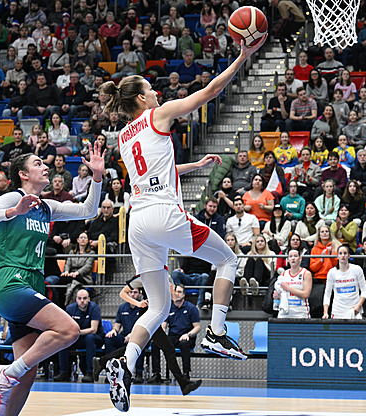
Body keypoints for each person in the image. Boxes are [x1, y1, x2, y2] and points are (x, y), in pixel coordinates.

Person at [97, 36, 266, 411]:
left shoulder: (125, 135)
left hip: (137, 219)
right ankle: (218, 333)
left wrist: (196, 166)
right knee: (227, 260)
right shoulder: (157, 113)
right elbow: (208, 91)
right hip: (163, 212)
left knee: (156, 305)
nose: (156, 92)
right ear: (141, 98)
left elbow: (156, 169)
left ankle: (125, 363)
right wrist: (242, 56)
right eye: (150, 89)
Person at [0, 143, 104, 416]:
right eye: (38, 164)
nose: (45, 167)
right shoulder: (12, 198)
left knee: (29, 369)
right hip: (10, 282)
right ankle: (6, 373)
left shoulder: (47, 206)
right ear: (22, 174)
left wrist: (98, 177)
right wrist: (13, 212)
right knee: (69, 330)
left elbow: (88, 211)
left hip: (32, 283)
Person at [93, 276, 202, 395]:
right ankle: (184, 384)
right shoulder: (144, 277)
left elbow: (174, 298)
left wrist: (171, 291)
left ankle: (102, 362)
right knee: (168, 349)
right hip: (148, 313)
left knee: (137, 347)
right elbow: (123, 293)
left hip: (158, 313)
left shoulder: (167, 276)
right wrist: (138, 304)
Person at [54, 288, 104, 383]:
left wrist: (77, 332)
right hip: (78, 337)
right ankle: (64, 372)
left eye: (84, 298)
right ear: (76, 299)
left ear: (89, 299)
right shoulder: (70, 309)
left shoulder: (94, 308)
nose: (82, 301)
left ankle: (90, 373)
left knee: (90, 338)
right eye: (80, 298)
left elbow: (93, 329)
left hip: (95, 338)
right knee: (63, 340)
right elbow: (67, 327)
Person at [152, 284, 200, 381]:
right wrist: (162, 333)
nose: (177, 294)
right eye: (175, 291)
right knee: (155, 343)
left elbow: (197, 327)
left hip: (186, 337)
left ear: (183, 294)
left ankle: (186, 374)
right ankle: (156, 373)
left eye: (179, 292)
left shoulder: (191, 308)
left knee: (184, 344)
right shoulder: (168, 307)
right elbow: (164, 324)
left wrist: (188, 334)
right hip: (173, 336)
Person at [104, 286, 144, 383]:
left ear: (139, 294)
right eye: (130, 292)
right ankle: (111, 371)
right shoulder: (122, 308)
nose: (132, 294)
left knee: (141, 343)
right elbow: (117, 326)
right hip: (125, 337)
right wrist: (113, 331)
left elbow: (144, 327)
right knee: (110, 339)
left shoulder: (143, 307)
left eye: (135, 292)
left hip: (139, 336)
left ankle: (139, 373)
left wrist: (133, 335)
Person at [323, 246, 366, 319]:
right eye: (340, 253)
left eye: (345, 253)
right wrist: (325, 312)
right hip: (338, 311)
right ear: (337, 256)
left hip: (354, 310)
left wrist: (359, 306)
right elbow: (327, 294)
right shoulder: (332, 272)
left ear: (348, 255)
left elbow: (364, 290)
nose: (343, 256)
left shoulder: (357, 269)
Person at [273, 249, 312, 318]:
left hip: (301, 312)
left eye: (295, 256)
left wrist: (289, 288)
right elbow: (279, 289)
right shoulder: (284, 274)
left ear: (300, 258)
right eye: (290, 256)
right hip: (285, 311)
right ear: (288, 260)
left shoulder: (306, 273)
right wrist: (278, 294)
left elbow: (306, 294)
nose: (293, 258)